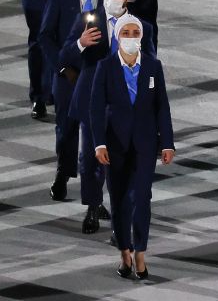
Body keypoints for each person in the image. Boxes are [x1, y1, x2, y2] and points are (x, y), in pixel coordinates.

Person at [59, 0, 155, 234]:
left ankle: (120, 222)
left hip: (126, 106)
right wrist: (80, 43)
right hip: (92, 103)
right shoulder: (88, 21)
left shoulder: (142, 27)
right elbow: (62, 56)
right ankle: (92, 207)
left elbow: (151, 68)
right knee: (90, 159)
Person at [91, 14, 174, 280]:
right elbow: (95, 108)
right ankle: (124, 252)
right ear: (117, 38)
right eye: (124, 33)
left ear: (141, 37)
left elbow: (162, 106)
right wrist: (99, 143)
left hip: (145, 143)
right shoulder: (105, 67)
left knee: (142, 198)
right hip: (114, 145)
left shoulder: (153, 66)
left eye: (134, 33)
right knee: (118, 200)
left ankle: (140, 252)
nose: (130, 38)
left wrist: (168, 142)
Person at [39, 0, 107, 201]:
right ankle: (63, 173)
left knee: (98, 134)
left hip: (97, 77)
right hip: (66, 75)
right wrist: (63, 68)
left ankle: (95, 194)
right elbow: (45, 37)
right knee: (66, 128)